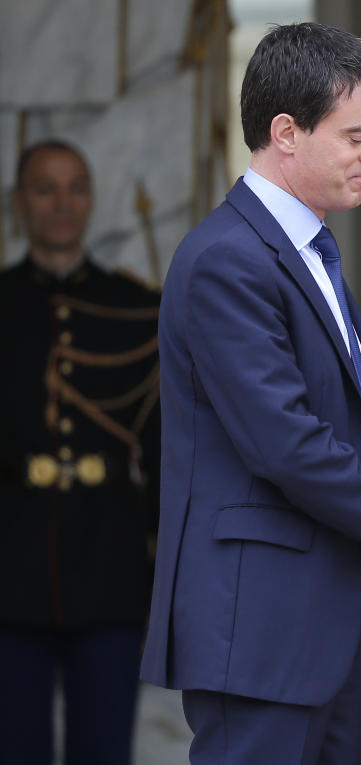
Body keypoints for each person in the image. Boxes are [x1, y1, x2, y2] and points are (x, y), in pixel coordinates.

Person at [139, 22, 361, 764]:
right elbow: (286, 441)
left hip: (324, 627)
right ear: (286, 132)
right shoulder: (230, 259)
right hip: (260, 634)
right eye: (357, 135)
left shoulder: (306, 248)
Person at [0, 139, 161, 765]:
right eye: (45, 188)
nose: (62, 203)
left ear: (92, 201)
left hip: (112, 571)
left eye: (75, 187)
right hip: (9, 574)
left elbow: (163, 460)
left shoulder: (137, 310)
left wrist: (162, 577)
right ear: (19, 204)